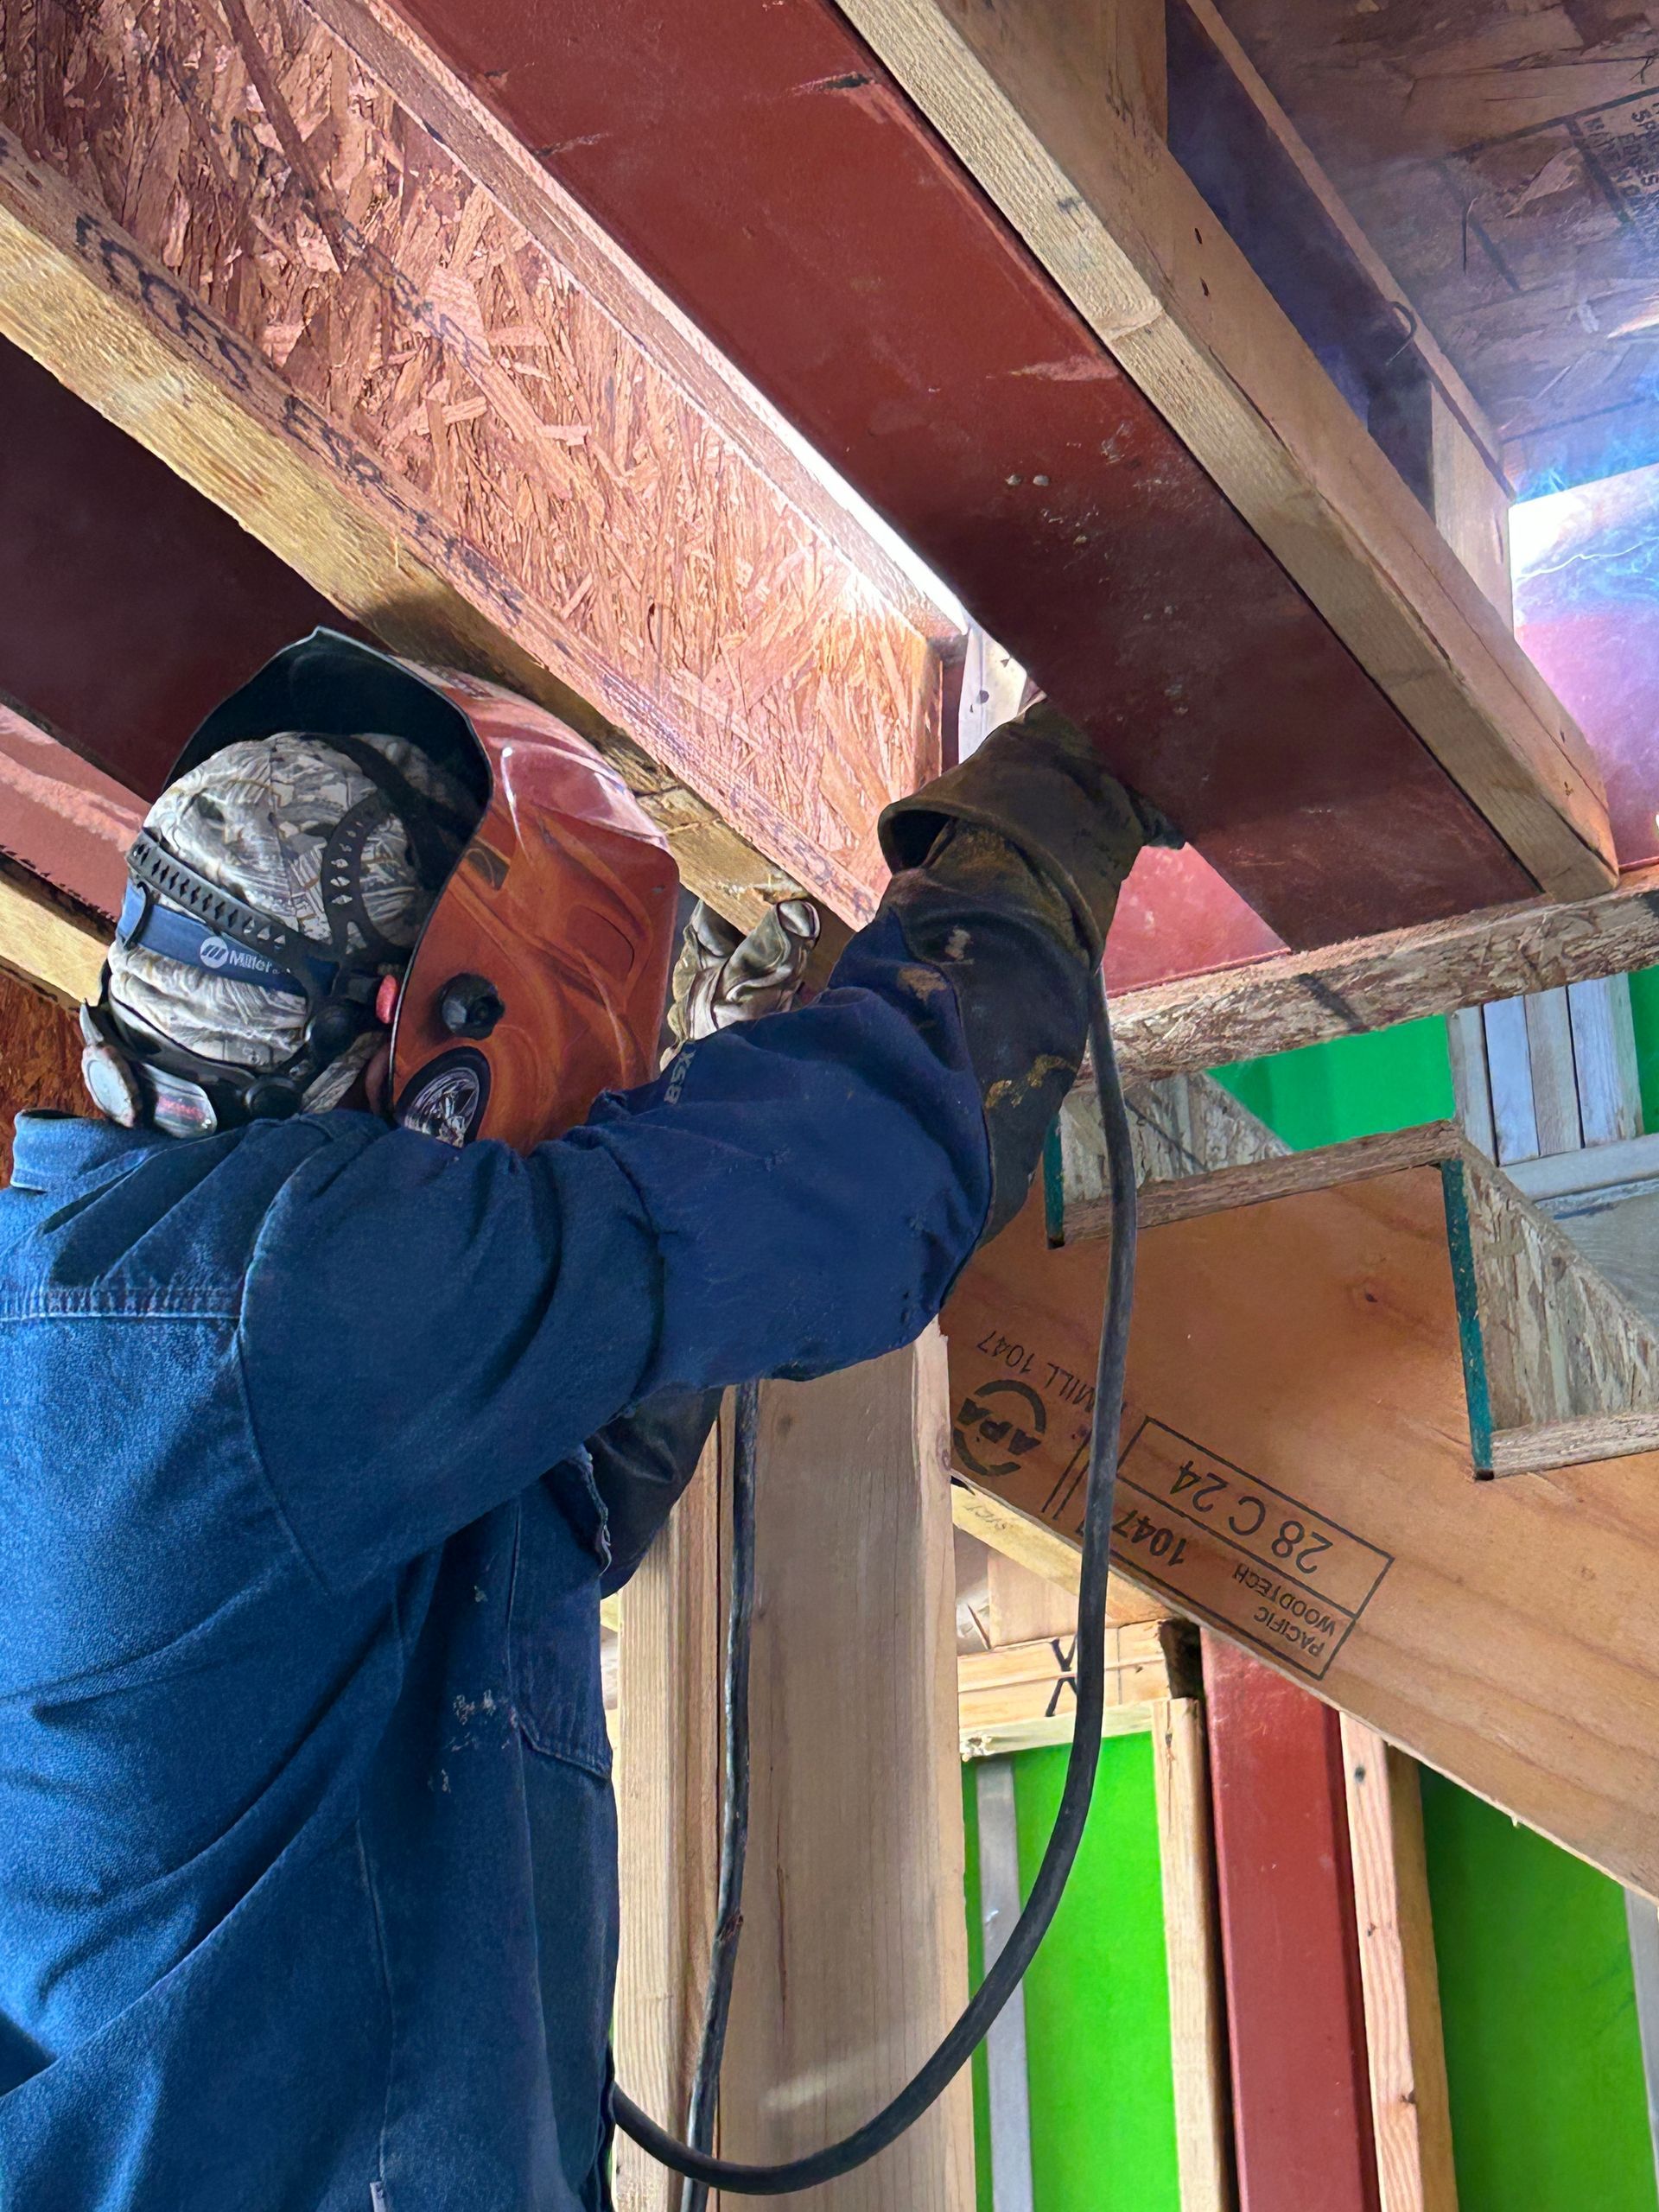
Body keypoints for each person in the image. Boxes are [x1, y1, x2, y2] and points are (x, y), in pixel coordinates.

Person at [0, 632, 1167, 2209]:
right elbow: (855, 1184)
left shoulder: (127, 1333)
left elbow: (519, 1526)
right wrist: (1054, 809)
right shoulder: (283, 1325)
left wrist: (634, 1316)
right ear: (435, 1059)